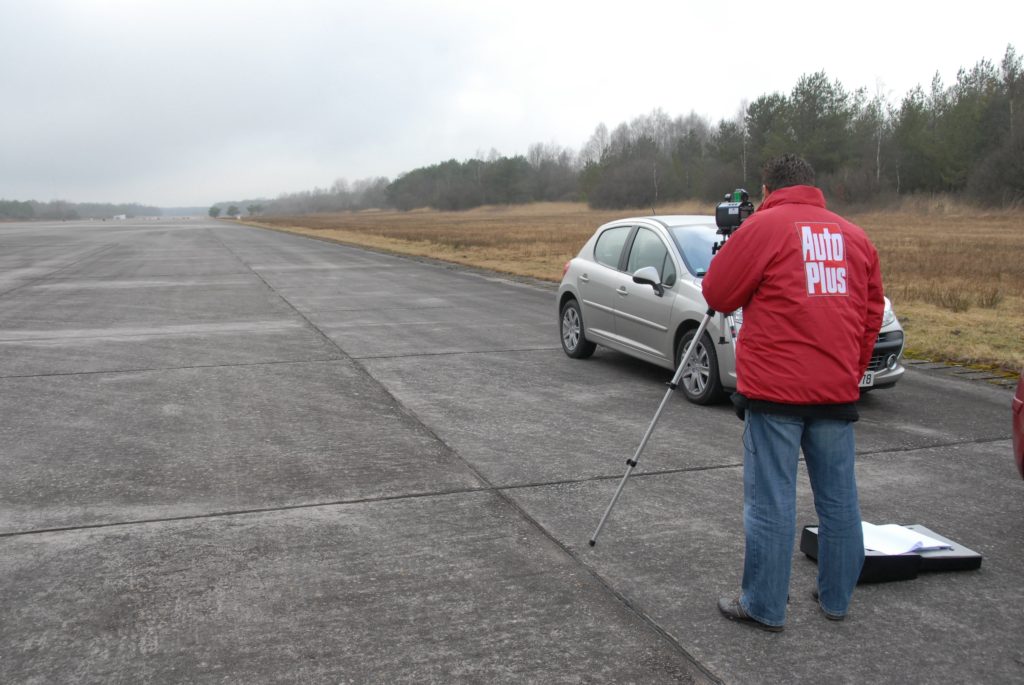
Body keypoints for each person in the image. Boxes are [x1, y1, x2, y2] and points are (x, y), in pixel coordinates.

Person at [701, 153, 884, 632]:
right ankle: (836, 598)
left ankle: (763, 604)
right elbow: (871, 313)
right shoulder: (855, 237)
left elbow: (718, 294)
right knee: (840, 501)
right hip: (835, 392)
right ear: (811, 185)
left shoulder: (764, 229)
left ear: (767, 190)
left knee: (771, 501)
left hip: (775, 393)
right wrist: (851, 372)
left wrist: (739, 240)